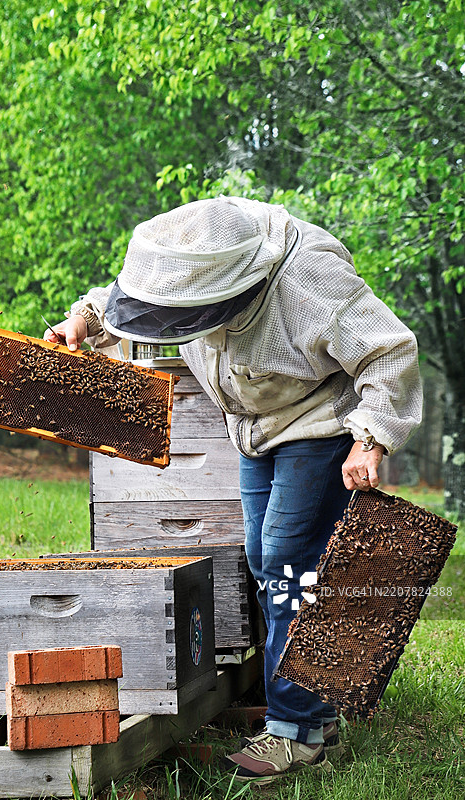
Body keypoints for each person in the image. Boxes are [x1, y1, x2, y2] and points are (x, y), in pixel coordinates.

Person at [44, 196, 422, 783]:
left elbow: (390, 350)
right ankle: (316, 712)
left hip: (319, 425)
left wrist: (371, 439)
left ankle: (294, 732)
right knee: (263, 561)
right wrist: (86, 320)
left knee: (290, 563)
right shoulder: (196, 258)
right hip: (252, 430)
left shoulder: (308, 280)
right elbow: (140, 295)